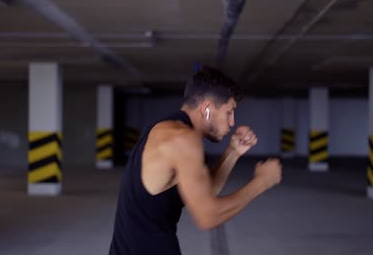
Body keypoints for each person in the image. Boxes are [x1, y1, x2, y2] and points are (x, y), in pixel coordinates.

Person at [109, 66, 282, 255]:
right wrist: (261, 182)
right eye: (229, 112)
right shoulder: (183, 139)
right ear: (207, 108)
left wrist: (232, 152)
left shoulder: (169, 130)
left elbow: (206, 192)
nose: (232, 122)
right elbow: (208, 216)